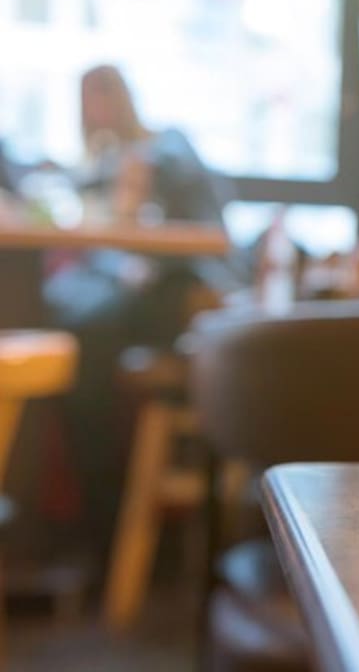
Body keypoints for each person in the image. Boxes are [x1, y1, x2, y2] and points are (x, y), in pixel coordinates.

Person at [46, 65, 237, 562]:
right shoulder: (102, 163)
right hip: (141, 297)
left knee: (86, 339)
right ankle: (91, 519)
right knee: (73, 327)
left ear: (123, 98)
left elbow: (188, 208)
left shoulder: (164, 146)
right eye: (87, 99)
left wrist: (137, 165)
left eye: (103, 95)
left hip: (186, 296)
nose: (96, 108)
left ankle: (104, 528)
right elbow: (107, 239)